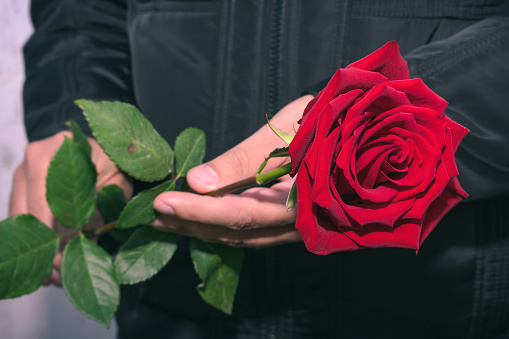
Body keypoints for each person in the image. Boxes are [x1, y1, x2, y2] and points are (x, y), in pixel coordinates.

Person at [11, 0, 509, 337]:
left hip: (441, 304)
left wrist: (345, 122)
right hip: (172, 309)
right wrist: (67, 112)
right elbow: (79, 13)